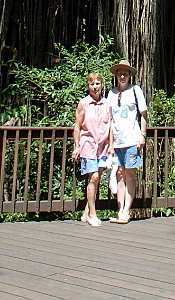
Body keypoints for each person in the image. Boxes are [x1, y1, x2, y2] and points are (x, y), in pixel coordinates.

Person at [107, 59, 147, 224]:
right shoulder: (111, 93)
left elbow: (143, 114)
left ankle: (126, 210)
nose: (122, 76)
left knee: (129, 174)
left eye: (125, 73)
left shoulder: (135, 90)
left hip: (131, 139)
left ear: (130, 75)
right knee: (119, 174)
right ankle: (120, 209)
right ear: (116, 76)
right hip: (117, 142)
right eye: (119, 74)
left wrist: (142, 135)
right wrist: (110, 143)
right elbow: (109, 119)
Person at [72, 72, 112, 226]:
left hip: (102, 146)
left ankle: (86, 210)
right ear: (88, 86)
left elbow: (111, 125)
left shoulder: (107, 104)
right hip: (88, 144)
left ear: (102, 85)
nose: (95, 87)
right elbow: (77, 126)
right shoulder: (83, 103)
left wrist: (111, 145)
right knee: (94, 177)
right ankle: (92, 215)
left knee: (97, 178)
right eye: (92, 84)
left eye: (97, 83)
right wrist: (76, 147)